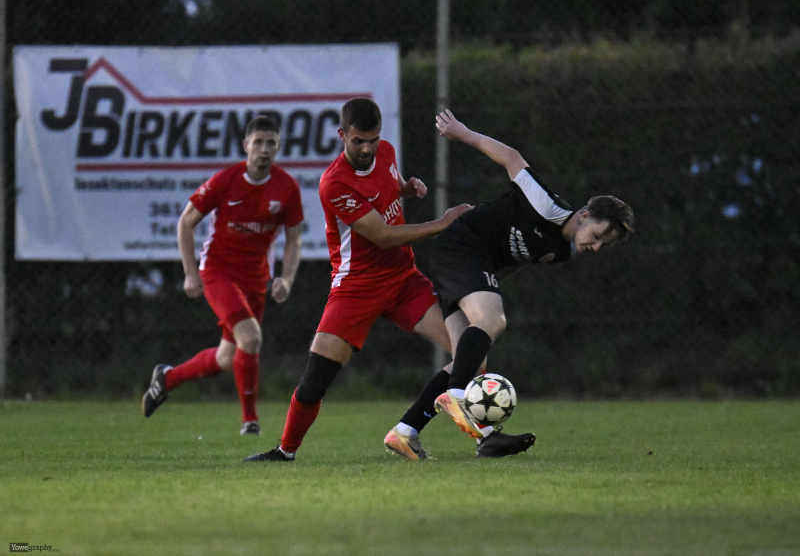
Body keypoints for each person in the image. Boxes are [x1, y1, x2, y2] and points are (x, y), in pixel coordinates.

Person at [242, 98, 483, 462]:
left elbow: (389, 183)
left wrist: (406, 189)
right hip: (355, 288)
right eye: (358, 141)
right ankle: (285, 452)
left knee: (471, 350)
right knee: (314, 382)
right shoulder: (333, 183)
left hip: (403, 280)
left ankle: (436, 433)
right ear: (342, 135)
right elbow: (382, 235)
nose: (367, 148)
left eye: (373, 139)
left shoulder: (385, 152)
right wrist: (443, 222)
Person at [423, 110, 634, 444]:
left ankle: (410, 432)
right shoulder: (547, 206)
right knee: (493, 320)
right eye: (596, 236)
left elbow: (519, 259)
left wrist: (481, 285)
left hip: (468, 265)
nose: (594, 247)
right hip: (460, 247)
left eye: (603, 246)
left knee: (470, 357)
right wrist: (462, 132)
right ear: (584, 216)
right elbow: (511, 157)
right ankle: (456, 395)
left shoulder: (564, 251)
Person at [141, 115, 304, 435]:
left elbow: (294, 239)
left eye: (271, 143)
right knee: (252, 338)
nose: (264, 149)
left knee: (228, 357)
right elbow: (186, 222)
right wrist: (190, 274)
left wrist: (286, 278)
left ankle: (167, 379)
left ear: (279, 147)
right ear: (246, 146)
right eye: (258, 142)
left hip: (256, 279)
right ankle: (250, 422)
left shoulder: (286, 188)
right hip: (218, 273)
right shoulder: (225, 180)